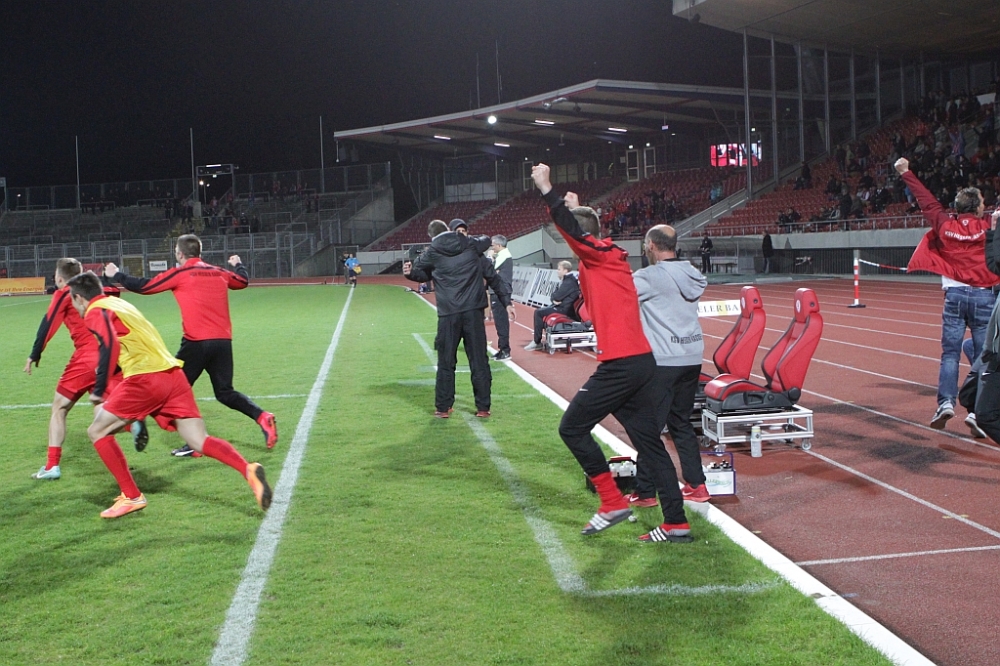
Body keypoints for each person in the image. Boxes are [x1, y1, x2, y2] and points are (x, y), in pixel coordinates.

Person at [531, 163, 690, 544]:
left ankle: (611, 501)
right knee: (649, 445)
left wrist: (547, 189)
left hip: (622, 364)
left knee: (571, 428)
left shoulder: (598, 255)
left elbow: (576, 232)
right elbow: (584, 233)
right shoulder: (603, 257)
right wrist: (577, 209)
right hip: (638, 362)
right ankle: (676, 523)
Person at [66, 271, 271, 519]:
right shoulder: (120, 304)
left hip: (146, 378)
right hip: (174, 375)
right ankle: (247, 469)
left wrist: (99, 388)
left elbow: (111, 343)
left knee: (97, 431)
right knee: (198, 440)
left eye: (72, 301)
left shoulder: (94, 311)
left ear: (79, 298)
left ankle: (132, 496)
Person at [104, 234, 278, 456]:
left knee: (171, 390)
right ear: (199, 252)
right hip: (222, 342)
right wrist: (238, 264)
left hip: (196, 343)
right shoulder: (218, 272)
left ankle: (192, 442)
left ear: (179, 254)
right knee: (224, 392)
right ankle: (262, 416)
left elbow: (145, 286)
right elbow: (242, 282)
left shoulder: (181, 273)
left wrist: (116, 274)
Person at [897, 157, 999, 429]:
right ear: (978, 207)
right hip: (983, 297)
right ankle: (977, 411)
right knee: (984, 356)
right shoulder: (989, 226)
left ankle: (945, 403)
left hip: (954, 297)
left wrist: (906, 173)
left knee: (950, 354)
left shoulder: (945, 225)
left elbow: (927, 201)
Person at [24, 258, 145, 480]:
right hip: (111, 356)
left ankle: (52, 466)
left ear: (59, 277)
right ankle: (131, 426)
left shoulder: (64, 293)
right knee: (102, 410)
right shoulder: (96, 290)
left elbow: (48, 322)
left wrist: (35, 353)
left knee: (59, 408)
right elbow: (114, 293)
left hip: (87, 358)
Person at [627, 224, 710, 507]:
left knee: (648, 427)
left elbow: (618, 298)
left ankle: (646, 491)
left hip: (664, 359)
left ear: (651, 245)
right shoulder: (692, 273)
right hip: (692, 355)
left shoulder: (649, 276)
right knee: (680, 422)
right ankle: (697, 484)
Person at [403, 219, 515, 418]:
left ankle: (443, 407)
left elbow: (421, 271)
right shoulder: (471, 246)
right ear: (450, 230)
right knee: (479, 360)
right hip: (473, 311)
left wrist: (410, 274)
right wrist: (506, 301)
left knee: (446, 361)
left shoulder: (433, 251)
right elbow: (493, 276)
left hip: (448, 314)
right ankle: (483, 407)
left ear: (431, 236)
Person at [524, 260, 580, 351]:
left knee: (538, 312)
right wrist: (554, 299)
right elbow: (555, 297)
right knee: (542, 310)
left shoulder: (568, 282)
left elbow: (556, 296)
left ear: (565, 270)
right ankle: (538, 340)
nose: (557, 271)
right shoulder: (568, 280)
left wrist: (555, 298)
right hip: (563, 307)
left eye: (559, 269)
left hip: (565, 310)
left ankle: (537, 342)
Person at [489, 235, 514, 360]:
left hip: (500, 293)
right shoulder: (503, 255)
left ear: (499, 245)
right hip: (500, 292)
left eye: (493, 245)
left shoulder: (503, 256)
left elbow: (490, 271)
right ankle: (502, 349)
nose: (492, 247)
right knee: (499, 322)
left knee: (501, 322)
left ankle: (505, 350)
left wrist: (490, 258)